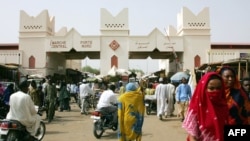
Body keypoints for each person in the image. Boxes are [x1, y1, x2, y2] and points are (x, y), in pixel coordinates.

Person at [182, 72, 229, 141]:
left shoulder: (223, 106)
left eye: (218, 88)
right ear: (204, 89)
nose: (215, 91)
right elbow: (192, 136)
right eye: (211, 88)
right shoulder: (196, 109)